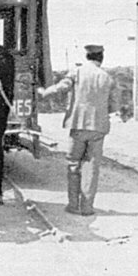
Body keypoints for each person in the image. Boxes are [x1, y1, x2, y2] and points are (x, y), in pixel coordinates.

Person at [36, 44, 120, 216]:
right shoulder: (108, 78)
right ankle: (87, 207)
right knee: (92, 167)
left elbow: (61, 88)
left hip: (78, 125)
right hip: (98, 128)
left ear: (87, 57)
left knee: (74, 164)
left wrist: (44, 92)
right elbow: (114, 106)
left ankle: (73, 205)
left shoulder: (77, 72)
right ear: (101, 58)